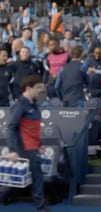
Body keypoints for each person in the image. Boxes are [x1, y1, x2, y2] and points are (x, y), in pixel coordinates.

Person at [0, 75, 48, 212]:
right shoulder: (20, 105)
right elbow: (11, 127)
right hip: (24, 148)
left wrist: (39, 144)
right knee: (31, 178)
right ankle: (41, 207)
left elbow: (33, 129)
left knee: (35, 177)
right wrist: (11, 150)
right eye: (37, 87)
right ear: (28, 88)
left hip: (33, 147)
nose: (40, 90)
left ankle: (41, 206)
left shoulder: (34, 105)